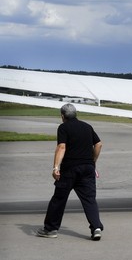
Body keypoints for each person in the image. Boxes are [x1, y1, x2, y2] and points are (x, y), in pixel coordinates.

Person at [37, 103, 104, 240]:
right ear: (76, 114)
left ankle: (50, 229)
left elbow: (61, 147)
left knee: (59, 199)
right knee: (89, 199)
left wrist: (56, 167)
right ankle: (96, 228)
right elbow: (98, 144)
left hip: (70, 170)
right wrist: (93, 161)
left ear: (62, 116)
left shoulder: (63, 127)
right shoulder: (87, 126)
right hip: (87, 168)